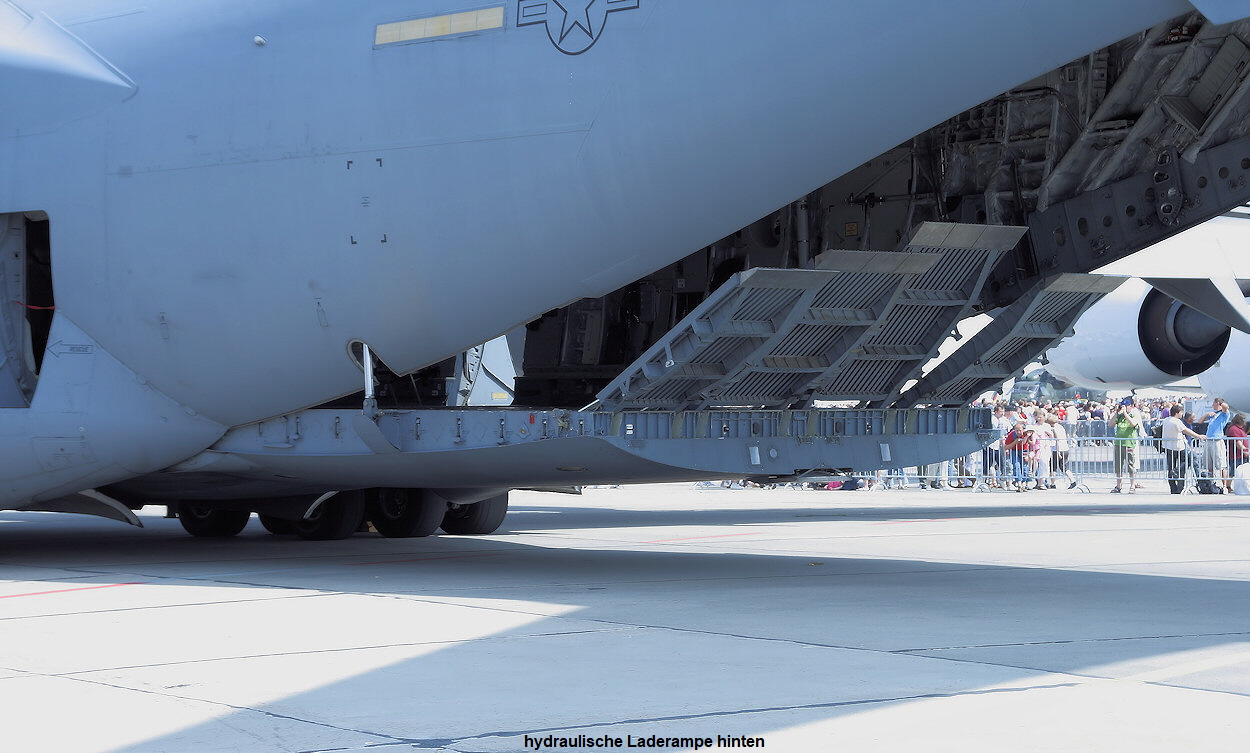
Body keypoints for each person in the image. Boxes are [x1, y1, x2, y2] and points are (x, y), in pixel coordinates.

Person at [1161, 404, 1203, 494]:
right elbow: (1185, 430)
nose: (1182, 415)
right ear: (1177, 413)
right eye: (1181, 413)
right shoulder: (1177, 421)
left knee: (1170, 467)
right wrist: (1198, 436)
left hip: (1168, 447)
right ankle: (1180, 486)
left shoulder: (1166, 420)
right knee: (1186, 463)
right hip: (1178, 447)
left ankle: (1173, 488)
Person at [1111, 396, 1142, 493]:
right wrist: (1117, 413)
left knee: (1131, 465)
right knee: (1118, 465)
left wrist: (1125, 413)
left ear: (1131, 406)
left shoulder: (1134, 415)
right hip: (1118, 443)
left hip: (1129, 443)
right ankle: (1118, 485)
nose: (1124, 407)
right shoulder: (1119, 416)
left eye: (1126, 406)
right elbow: (1110, 424)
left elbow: (1133, 424)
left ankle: (1132, 485)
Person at [1202, 398, 1232, 493]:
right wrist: (1207, 414)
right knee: (1209, 464)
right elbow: (1200, 421)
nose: (1212, 405)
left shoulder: (1224, 414)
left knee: (1221, 465)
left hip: (1217, 440)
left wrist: (1221, 403)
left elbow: (1226, 407)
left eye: (1213, 403)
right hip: (1209, 440)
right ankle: (1212, 484)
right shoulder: (1214, 415)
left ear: (1217, 403)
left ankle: (1224, 486)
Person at [1046, 414, 1078, 489]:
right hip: (1065, 448)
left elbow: (1057, 440)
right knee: (1064, 466)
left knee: (1053, 467)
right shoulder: (1060, 427)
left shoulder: (1053, 429)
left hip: (1057, 449)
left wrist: (1057, 451)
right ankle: (1072, 480)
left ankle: (1053, 483)